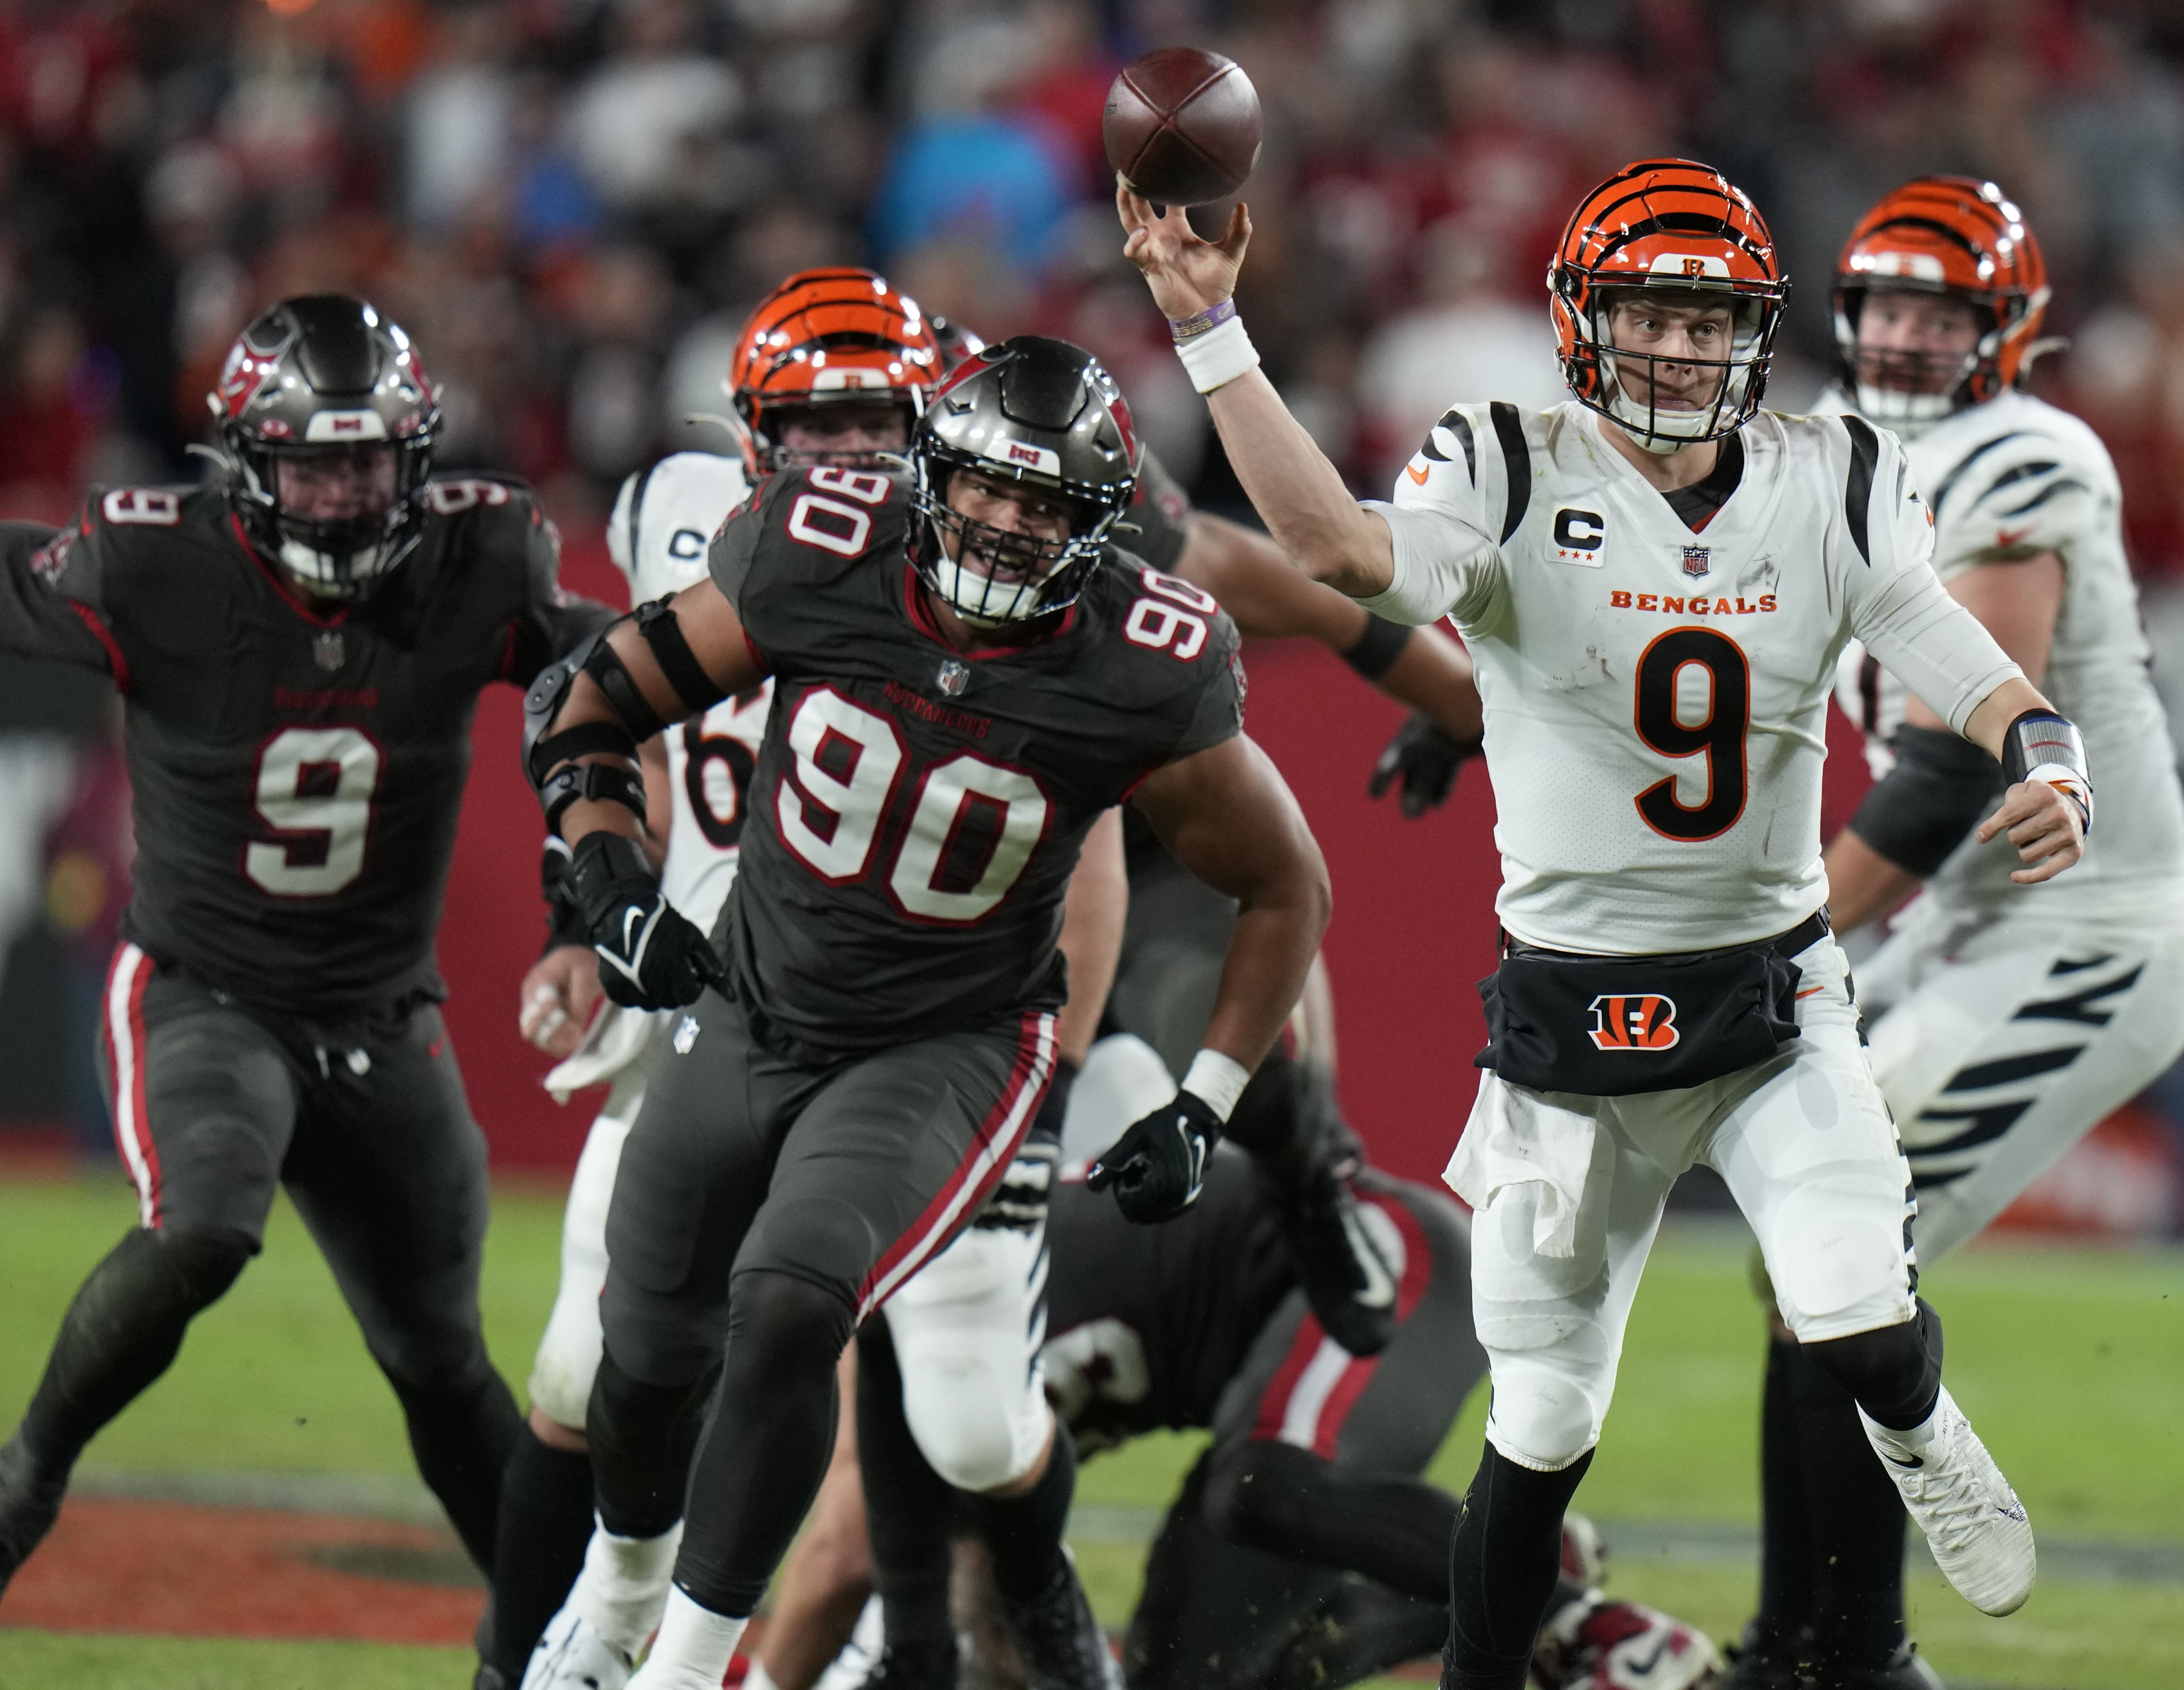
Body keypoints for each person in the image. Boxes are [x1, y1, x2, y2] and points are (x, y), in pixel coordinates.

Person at [1117, 158, 2091, 1690]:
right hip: (1566, 1025)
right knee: (1540, 1425)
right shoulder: (1507, 464)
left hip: (1769, 998)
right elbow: (1336, 555)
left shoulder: (1830, 474)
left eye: (1709, 323)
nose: (1680, 350)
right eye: (1650, 315)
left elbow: (1946, 648)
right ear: (1583, 319)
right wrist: (1211, 332)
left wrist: (2043, 744)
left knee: (1851, 1311)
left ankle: (1918, 1427)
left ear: (1752, 335)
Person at [0, 295, 609, 1681]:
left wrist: (591, 880)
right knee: (203, 1225)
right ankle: (17, 1488)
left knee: (442, 1363)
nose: (344, 498)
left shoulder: (480, 560)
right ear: (249, 464)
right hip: (209, 993)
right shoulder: (158, 566)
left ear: (414, 460)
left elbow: (609, 670)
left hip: (386, 1017)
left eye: (366, 463)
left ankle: (549, 1657)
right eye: (312, 467)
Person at [516, 334, 1331, 1690]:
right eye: (985, 487)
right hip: (753, 1002)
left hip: (948, 1044)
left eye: (1045, 503)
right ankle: (612, 1606)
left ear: (1098, 524)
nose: (1005, 522)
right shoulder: (817, 548)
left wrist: (1206, 1100)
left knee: (790, 1299)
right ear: (929, 475)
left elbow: (1285, 884)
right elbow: (590, 698)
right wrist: (605, 884)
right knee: (644, 1352)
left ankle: (685, 1673)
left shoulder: (1144, 659)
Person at [1721, 179, 2184, 1690]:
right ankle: (1800, 1648)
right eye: (1889, 307)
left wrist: (1768, 936)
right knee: (1802, 1259)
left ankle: (1854, 1658)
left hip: (2084, 927)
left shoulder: (2023, 456)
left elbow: (1943, 770)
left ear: (2009, 331)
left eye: (1943, 313)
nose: (1909, 337)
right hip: (1968, 919)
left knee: (1838, 1250)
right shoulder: (1826, 450)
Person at [753, 1056, 1724, 1690]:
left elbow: (844, 1558)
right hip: (1256, 1353)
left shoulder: (899, 1331)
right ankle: (1459, 1578)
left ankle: (1590, 1627)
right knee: (1186, 1674)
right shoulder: (904, 1333)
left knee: (1261, 1484)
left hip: (1374, 1270)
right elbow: (981, 1589)